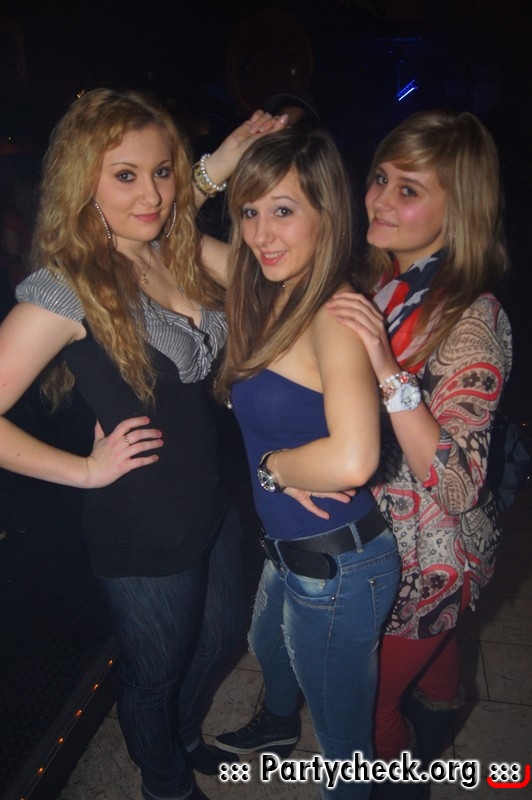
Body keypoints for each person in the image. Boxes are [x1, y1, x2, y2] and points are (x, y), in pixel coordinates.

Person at [0, 88, 287, 800]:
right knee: (153, 674)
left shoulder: (166, 244)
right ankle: (164, 781)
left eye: (162, 171)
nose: (151, 193)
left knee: (218, 641)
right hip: (139, 528)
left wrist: (218, 163)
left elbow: (217, 240)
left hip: (210, 504)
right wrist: (84, 470)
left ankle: (181, 736)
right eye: (125, 175)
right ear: (83, 182)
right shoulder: (66, 288)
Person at [326, 110, 512, 797]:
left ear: (457, 211)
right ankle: (436, 724)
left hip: (433, 560)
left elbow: (459, 485)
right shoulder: (385, 284)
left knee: (369, 705)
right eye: (380, 178)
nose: (378, 199)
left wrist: (383, 365)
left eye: (408, 189)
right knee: (433, 667)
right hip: (387, 539)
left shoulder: (473, 319)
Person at [212, 128, 401, 799]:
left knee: (344, 752)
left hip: (338, 569)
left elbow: (354, 457)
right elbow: (163, 239)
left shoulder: (333, 317)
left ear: (328, 214)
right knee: (267, 646)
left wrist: (276, 468)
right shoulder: (273, 291)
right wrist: (215, 167)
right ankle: (275, 725)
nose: (262, 233)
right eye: (250, 211)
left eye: (284, 210)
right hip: (291, 552)